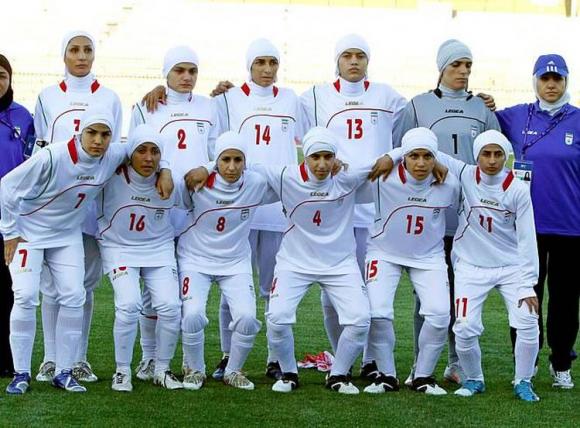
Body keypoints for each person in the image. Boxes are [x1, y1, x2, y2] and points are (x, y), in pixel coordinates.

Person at [145, 38, 303, 380]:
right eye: (259, 62)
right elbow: (207, 137)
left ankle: (275, 359)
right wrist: (164, 90)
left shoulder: (292, 99)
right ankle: (214, 356)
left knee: (268, 287)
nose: (266, 68)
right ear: (249, 65)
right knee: (174, 288)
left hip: (268, 204)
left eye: (272, 62)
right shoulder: (224, 100)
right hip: (209, 203)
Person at [1, 107, 172, 394]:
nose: (98, 141)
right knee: (26, 296)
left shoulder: (113, 154)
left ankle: (64, 371)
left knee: (74, 296)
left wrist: (164, 169)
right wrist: (9, 232)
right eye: (92, 133)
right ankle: (21, 373)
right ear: (80, 132)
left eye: (105, 135)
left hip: (67, 235)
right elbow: (6, 187)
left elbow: (142, 147)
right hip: (29, 232)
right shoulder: (53, 156)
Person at [391, 39, 501, 385]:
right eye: (456, 65)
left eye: (468, 65)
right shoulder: (417, 106)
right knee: (426, 294)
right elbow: (400, 153)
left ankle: (455, 362)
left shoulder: (482, 109)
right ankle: (420, 364)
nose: (463, 71)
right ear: (441, 67)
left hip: (469, 219)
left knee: (461, 290)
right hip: (429, 215)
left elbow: (495, 159)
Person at [299, 34, 407, 372]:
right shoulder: (314, 96)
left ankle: (372, 360)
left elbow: (409, 134)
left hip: (376, 207)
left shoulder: (388, 96)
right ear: (337, 60)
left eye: (360, 55)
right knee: (333, 288)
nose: (354, 61)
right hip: (334, 206)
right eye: (347, 55)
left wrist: (393, 155)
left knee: (372, 288)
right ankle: (343, 356)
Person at [33, 30, 123, 383]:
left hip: (92, 204)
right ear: (64, 54)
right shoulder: (47, 97)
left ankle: (78, 358)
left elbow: (115, 148)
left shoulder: (110, 97)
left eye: (87, 50)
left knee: (83, 285)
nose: (81, 56)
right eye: (74, 49)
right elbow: (42, 149)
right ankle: (50, 358)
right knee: (51, 284)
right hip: (55, 206)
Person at [129, 45, 218, 381]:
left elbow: (219, 149)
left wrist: (206, 167)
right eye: (179, 70)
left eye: (192, 71)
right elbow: (134, 150)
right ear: (166, 72)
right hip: (156, 205)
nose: (186, 77)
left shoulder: (209, 106)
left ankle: (188, 360)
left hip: (197, 207)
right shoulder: (146, 105)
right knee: (153, 286)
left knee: (187, 287)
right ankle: (148, 358)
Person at [432, 130, 540, 402]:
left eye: (498, 154)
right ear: (477, 155)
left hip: (511, 267)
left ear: (506, 156)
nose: (492, 160)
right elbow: (427, 147)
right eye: (486, 154)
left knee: (528, 320)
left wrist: (528, 284)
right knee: (464, 326)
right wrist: (392, 156)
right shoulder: (465, 173)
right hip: (470, 266)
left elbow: (527, 238)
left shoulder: (518, 189)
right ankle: (474, 379)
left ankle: (523, 381)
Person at [496, 54, 579, 389]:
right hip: (525, 226)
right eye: (545, 78)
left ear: (566, 82)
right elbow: (483, 120)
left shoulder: (577, 119)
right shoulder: (517, 116)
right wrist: (483, 101)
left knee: (565, 300)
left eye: (557, 79)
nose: (551, 84)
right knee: (525, 294)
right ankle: (525, 363)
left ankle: (561, 362)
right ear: (535, 81)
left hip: (570, 227)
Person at [362, 128, 460, 395]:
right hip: (384, 253)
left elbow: (473, 183)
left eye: (427, 156)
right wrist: (391, 155)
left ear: (436, 158)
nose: (420, 163)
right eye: (413, 156)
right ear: (404, 157)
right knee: (378, 313)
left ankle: (423, 377)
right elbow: (348, 175)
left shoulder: (448, 183)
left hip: (428, 256)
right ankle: (386, 376)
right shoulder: (383, 175)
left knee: (440, 315)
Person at [176, 132, 276, 391]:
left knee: (247, 318)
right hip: (195, 259)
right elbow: (175, 193)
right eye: (225, 160)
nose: (231, 167)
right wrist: (207, 167)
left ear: (245, 162)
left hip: (235, 262)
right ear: (216, 160)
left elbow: (288, 178)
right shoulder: (197, 181)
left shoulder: (256, 183)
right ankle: (194, 369)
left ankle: (233, 371)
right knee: (192, 314)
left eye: (238, 160)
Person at [96, 125, 182, 392]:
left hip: (158, 248)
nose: (148, 158)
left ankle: (161, 368)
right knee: (129, 304)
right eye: (141, 151)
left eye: (155, 152)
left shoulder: (169, 181)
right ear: (129, 153)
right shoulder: (110, 174)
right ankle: (122, 371)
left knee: (170, 306)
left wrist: (167, 170)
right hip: (119, 247)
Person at [0, 54, 34, 378]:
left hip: (12, 218)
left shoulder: (23, 117)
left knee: (9, 290)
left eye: (1, 75)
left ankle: (7, 358)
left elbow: (33, 164)